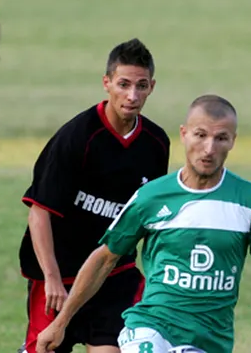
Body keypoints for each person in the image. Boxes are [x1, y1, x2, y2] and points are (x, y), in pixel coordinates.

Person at [35, 95, 251, 353]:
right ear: (184, 134)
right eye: (200, 135)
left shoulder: (249, 200)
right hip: (151, 326)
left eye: (220, 138)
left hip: (211, 338)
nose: (209, 149)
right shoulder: (152, 196)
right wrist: (60, 322)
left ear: (233, 141)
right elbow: (104, 258)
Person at [18, 38, 171, 353]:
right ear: (107, 83)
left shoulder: (156, 143)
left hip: (114, 274)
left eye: (141, 86)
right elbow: (39, 211)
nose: (132, 95)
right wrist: (52, 278)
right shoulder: (77, 137)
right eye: (123, 84)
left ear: (152, 87)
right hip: (60, 277)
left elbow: (151, 220)